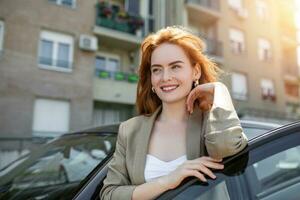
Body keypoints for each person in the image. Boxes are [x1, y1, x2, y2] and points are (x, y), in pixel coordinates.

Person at [100, 26, 248, 200]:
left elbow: (225, 147)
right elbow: (109, 194)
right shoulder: (130, 130)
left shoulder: (211, 124)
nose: (165, 77)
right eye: (157, 69)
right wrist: (167, 181)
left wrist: (220, 90)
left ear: (196, 72)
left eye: (175, 67)